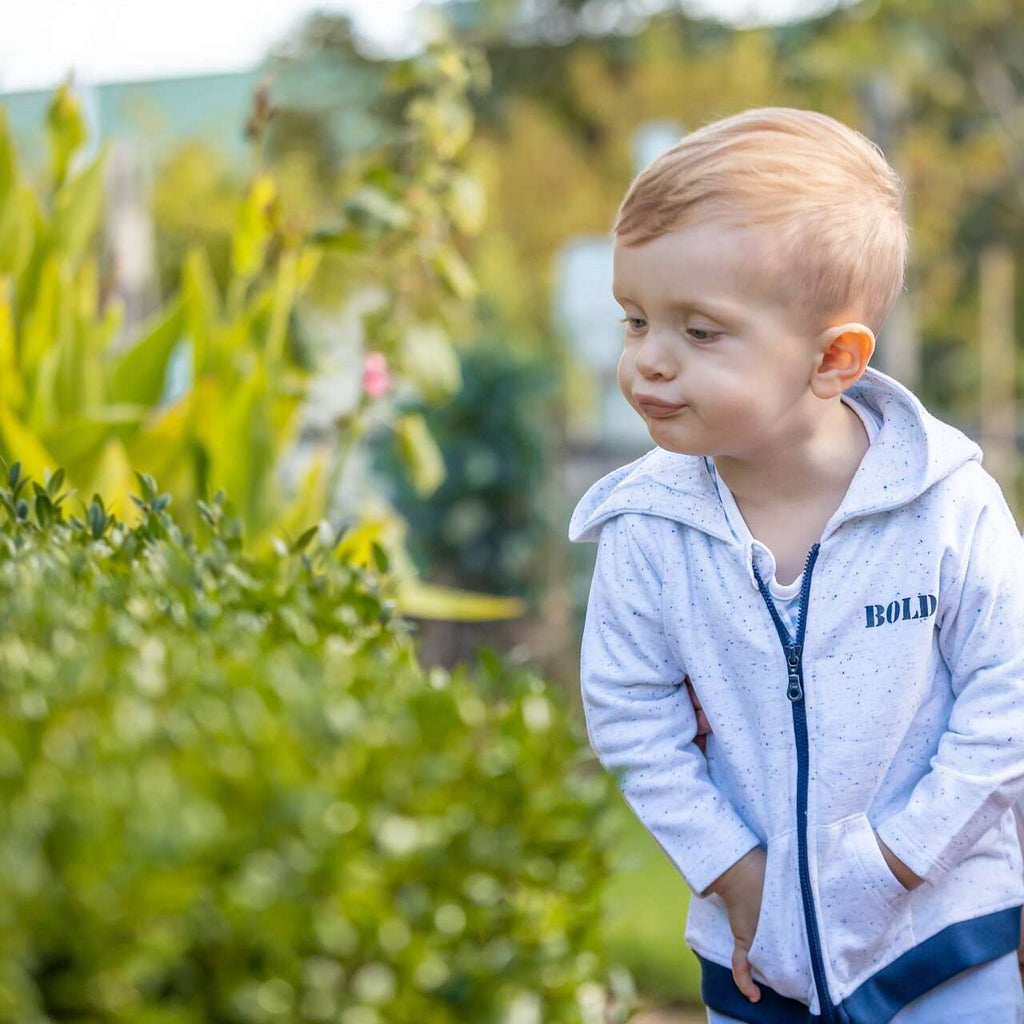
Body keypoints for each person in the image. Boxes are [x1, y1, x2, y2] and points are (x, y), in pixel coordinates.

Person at [567, 106, 1024, 1023]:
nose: (648, 362)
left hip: (943, 943)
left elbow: (1007, 698)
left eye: (699, 332)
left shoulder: (947, 506)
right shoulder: (648, 529)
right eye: (635, 318)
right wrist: (733, 873)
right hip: (754, 960)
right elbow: (628, 711)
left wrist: (893, 860)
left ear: (833, 360)